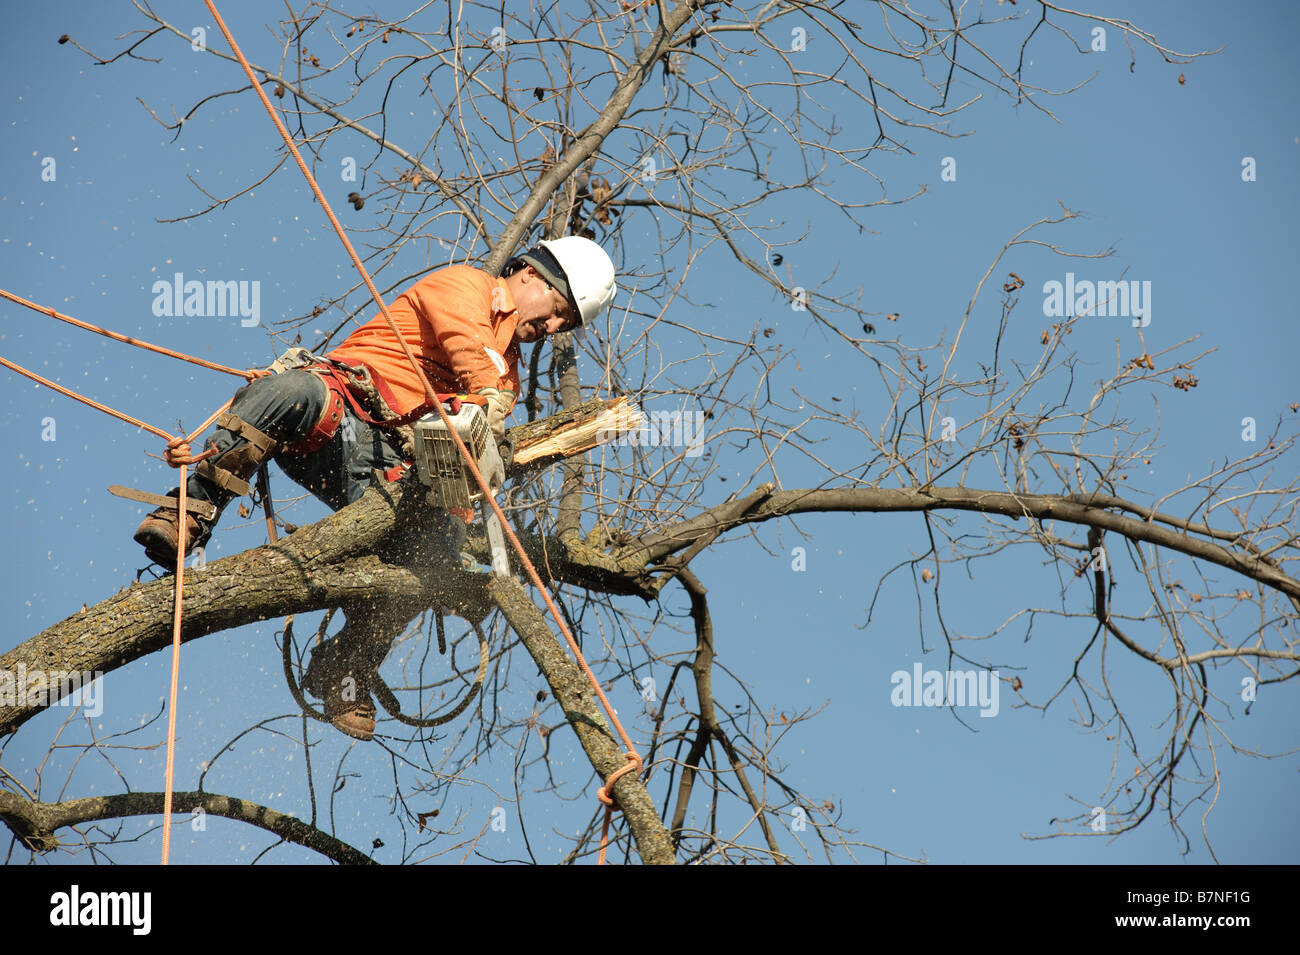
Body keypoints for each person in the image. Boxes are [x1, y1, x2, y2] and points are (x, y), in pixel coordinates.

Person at [131, 236, 617, 738]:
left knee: (433, 553)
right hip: (339, 413)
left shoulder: (507, 370)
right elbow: (469, 350)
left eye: (567, 325)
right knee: (289, 389)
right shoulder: (467, 287)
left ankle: (343, 665)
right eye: (560, 309)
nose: (555, 327)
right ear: (533, 275)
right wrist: (488, 396)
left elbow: (479, 421)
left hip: (387, 469)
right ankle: (189, 511)